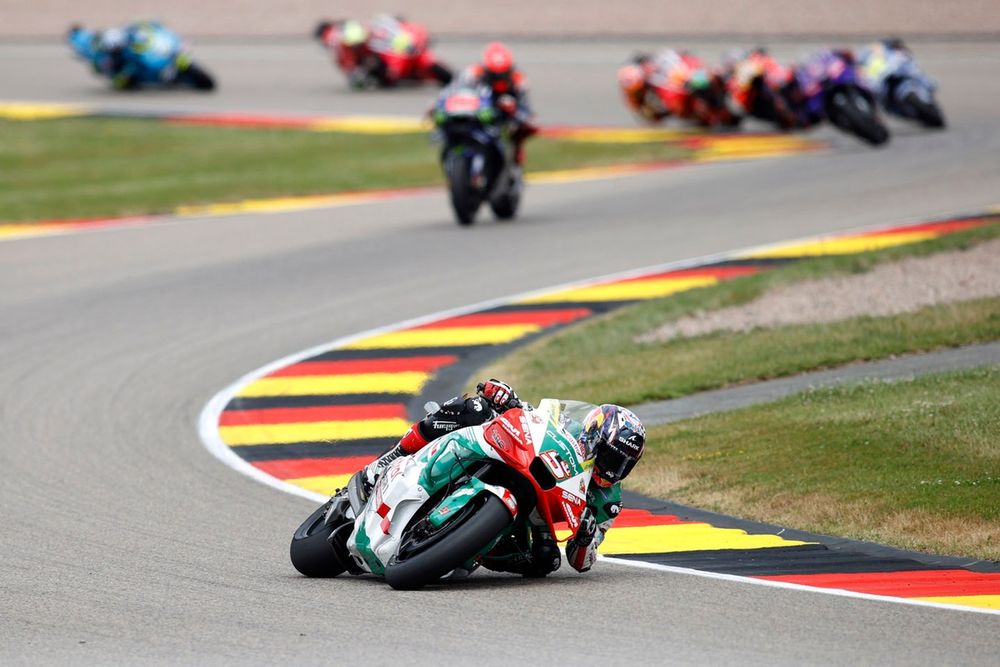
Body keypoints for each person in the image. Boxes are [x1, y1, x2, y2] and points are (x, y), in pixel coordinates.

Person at [361, 379, 647, 577]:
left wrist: (585, 537)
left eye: (624, 464)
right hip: (519, 458)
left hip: (538, 514)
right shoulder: (570, 425)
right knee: (474, 410)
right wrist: (506, 398)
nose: (614, 469)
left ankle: (467, 546)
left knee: (546, 559)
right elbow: (535, 418)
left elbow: (582, 562)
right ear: (595, 436)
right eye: (612, 457)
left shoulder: (609, 501)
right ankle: (390, 457)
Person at [459, 42, 537, 165]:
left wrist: (514, 110)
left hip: (505, 115)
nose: (499, 78)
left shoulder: (519, 80)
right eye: (493, 75)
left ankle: (516, 151)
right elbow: (457, 92)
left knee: (527, 128)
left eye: (503, 74)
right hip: (478, 110)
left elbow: (527, 112)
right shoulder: (472, 74)